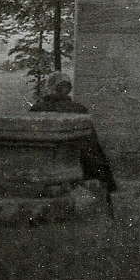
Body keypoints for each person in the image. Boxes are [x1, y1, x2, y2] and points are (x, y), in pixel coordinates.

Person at [31, 73, 117, 216]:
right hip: (80, 163)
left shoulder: (37, 109)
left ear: (49, 88)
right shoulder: (79, 110)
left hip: (42, 165)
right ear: (67, 89)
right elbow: (92, 146)